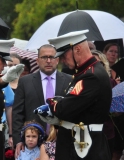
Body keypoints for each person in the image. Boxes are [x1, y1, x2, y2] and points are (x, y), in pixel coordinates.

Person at [38, 30, 112, 160]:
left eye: (64, 56)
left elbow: (64, 109)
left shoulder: (91, 76)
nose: (62, 61)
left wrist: (52, 103)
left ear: (77, 49)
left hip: (84, 147)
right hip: (76, 143)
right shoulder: (83, 73)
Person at [13, 44, 72, 158]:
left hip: (61, 140)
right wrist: (18, 140)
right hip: (32, 142)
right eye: (44, 57)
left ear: (57, 60)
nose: (48, 61)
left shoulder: (69, 80)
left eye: (51, 57)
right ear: (37, 60)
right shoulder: (25, 81)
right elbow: (17, 113)